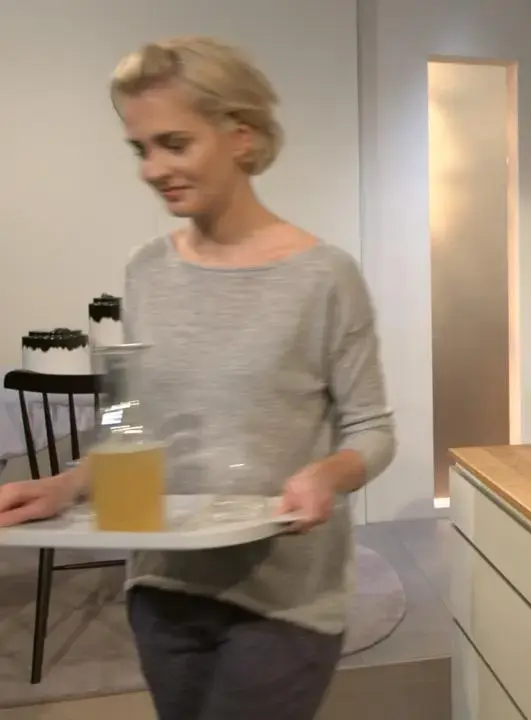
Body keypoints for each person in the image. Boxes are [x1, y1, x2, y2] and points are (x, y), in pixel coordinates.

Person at [0, 36, 395, 720]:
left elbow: (373, 430)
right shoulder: (145, 270)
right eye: (140, 149)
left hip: (284, 601)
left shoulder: (324, 277)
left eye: (174, 143)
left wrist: (326, 475)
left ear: (241, 136)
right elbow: (130, 419)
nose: (153, 169)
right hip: (163, 585)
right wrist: (66, 485)